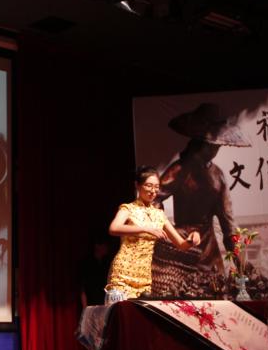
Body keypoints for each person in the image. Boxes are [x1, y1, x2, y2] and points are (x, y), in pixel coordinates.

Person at [154, 103, 250, 285]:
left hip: (209, 251)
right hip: (182, 247)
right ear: (201, 143)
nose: (215, 149)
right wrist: (169, 232)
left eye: (217, 146)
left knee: (215, 289)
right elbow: (155, 198)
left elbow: (228, 223)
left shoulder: (218, 176)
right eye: (212, 146)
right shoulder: (180, 169)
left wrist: (242, 268)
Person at [104, 166, 201, 301]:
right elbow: (114, 228)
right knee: (121, 312)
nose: (153, 191)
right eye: (149, 186)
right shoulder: (128, 208)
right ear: (137, 185)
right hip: (123, 273)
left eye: (156, 187)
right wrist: (146, 229)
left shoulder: (159, 214)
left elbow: (181, 244)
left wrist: (193, 238)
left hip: (144, 276)